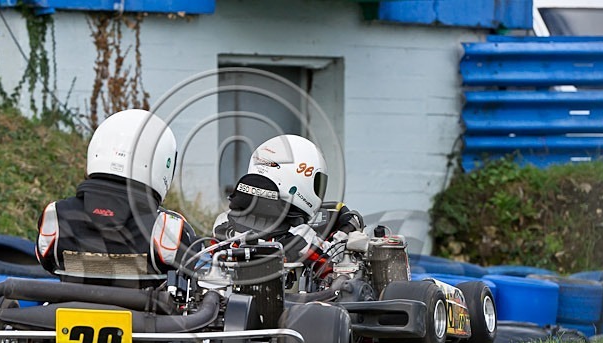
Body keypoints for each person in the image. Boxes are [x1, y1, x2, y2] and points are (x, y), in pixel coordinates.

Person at [36, 109, 194, 280]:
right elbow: (192, 273)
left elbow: (47, 263)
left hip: (64, 306)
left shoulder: (56, 217)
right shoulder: (167, 231)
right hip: (142, 306)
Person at [212, 134, 364, 266]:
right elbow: (332, 261)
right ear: (299, 176)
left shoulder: (223, 222)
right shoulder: (299, 236)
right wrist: (347, 229)